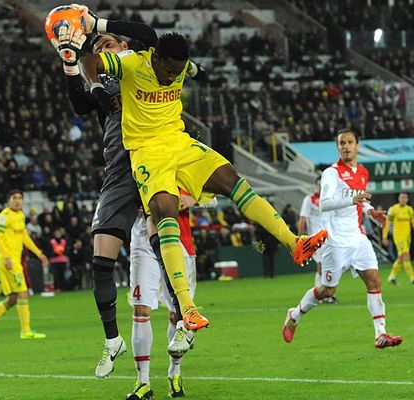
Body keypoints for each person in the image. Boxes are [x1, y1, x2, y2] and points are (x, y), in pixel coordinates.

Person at [80, 30, 328, 331]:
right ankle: (188, 308)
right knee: (165, 215)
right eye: (168, 71)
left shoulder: (179, 65)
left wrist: (199, 72)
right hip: (147, 153)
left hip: (180, 143)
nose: (173, 78)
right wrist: (94, 85)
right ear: (155, 58)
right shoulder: (131, 63)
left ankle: (294, 242)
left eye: (178, 71)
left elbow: (200, 70)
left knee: (234, 182)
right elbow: (88, 60)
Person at [54, 7, 159, 378]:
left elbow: (149, 34)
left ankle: (185, 316)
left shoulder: (138, 66)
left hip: (152, 163)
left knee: (165, 244)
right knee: (100, 256)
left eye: (109, 43)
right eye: (98, 47)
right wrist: (70, 62)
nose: (103, 49)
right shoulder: (101, 84)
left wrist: (97, 26)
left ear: (124, 46)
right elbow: (81, 105)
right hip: (118, 174)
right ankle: (113, 339)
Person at [282, 129, 402, 349]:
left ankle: (380, 334)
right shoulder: (332, 173)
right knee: (327, 291)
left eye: (350, 142)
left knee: (374, 281)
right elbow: (325, 203)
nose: (346, 146)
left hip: (357, 238)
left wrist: (371, 211)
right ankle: (295, 314)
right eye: (342, 143)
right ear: (337, 147)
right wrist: (353, 200)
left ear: (357, 146)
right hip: (335, 241)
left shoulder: (363, 172)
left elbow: (360, 201)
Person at [126, 191, 208, 399]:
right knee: (141, 308)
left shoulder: (176, 161)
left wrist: (193, 199)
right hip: (143, 243)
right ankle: (142, 382)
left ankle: (175, 373)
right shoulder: (132, 163)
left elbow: (212, 191)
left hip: (178, 241)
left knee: (177, 313)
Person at [0, 190, 49, 341]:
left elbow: (25, 237)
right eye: (14, 198)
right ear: (8, 200)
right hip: (8, 261)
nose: (17, 201)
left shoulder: (20, 215)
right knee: (23, 293)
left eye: (20, 198)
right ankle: (26, 331)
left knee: (13, 298)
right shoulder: (4, 216)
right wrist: (7, 257)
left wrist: (38, 253)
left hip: (13, 261)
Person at [297, 177, 337, 303]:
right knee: (321, 265)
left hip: (329, 237)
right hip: (314, 238)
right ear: (316, 186)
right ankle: (321, 294)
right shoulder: (309, 200)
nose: (321, 187)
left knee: (329, 265)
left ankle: (323, 293)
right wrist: (300, 239)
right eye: (319, 185)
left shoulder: (329, 201)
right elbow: (302, 219)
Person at [382, 192, 414, 285]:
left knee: (401, 258)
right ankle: (412, 277)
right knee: (406, 255)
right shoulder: (393, 209)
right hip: (398, 237)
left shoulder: (409, 210)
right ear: (398, 199)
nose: (403, 199)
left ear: (407, 200)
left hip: (407, 237)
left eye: (405, 198)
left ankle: (392, 276)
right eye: (401, 198)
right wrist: (384, 237)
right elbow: (387, 223)